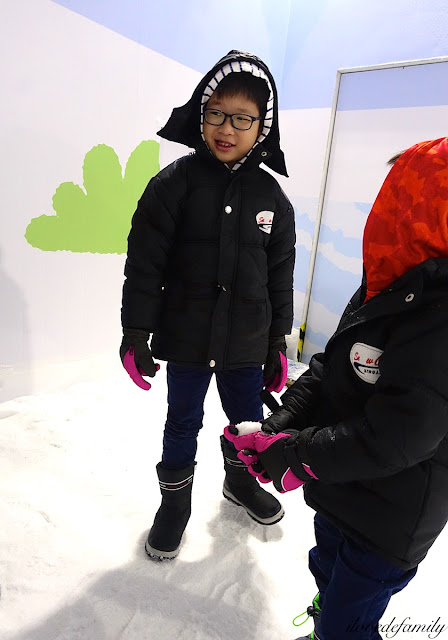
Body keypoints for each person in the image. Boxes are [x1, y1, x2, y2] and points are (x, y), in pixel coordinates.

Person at [225, 138, 448, 639]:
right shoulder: (388, 283)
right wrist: (283, 422)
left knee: (349, 621)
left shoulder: (440, 316)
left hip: (391, 519)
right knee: (327, 576)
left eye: (397, 194)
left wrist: (298, 456)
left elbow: (400, 436)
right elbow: (333, 367)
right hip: (341, 485)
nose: (383, 208)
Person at [120, 50, 296, 560]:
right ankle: (174, 506)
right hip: (188, 337)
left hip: (245, 342)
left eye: (243, 118)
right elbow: (145, 265)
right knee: (182, 422)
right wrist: (135, 332)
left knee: (247, 423)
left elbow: (279, 277)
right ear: (202, 113)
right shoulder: (173, 185)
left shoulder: (272, 199)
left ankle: (239, 484)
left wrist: (276, 341)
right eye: (217, 113)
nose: (227, 128)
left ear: (262, 127)